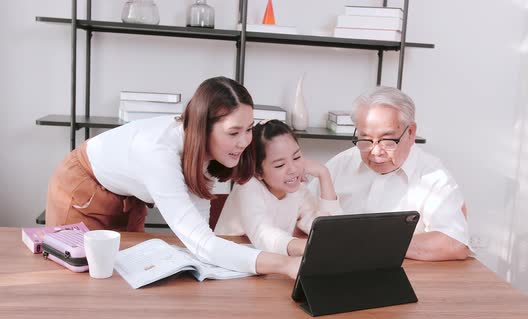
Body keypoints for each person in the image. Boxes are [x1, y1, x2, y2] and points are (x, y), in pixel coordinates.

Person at [45, 76, 301, 278]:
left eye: (248, 129)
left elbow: (200, 235)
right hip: (82, 187)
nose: (245, 141)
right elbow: (202, 244)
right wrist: (285, 265)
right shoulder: (159, 154)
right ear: (203, 128)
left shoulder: (201, 152)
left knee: (122, 278)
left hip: (128, 197)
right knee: (73, 280)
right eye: (233, 132)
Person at [309, 86, 470, 261]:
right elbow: (299, 212)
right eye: (366, 139)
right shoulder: (341, 163)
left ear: (410, 132)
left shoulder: (433, 176)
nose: (376, 151)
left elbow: (454, 243)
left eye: (387, 140)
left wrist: (371, 242)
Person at [214, 120, 341, 256]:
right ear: (258, 172)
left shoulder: (298, 190)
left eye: (297, 157)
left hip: (268, 265)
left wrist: (324, 174)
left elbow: (330, 232)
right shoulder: (246, 186)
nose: (293, 169)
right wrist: (303, 246)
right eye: (280, 165)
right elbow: (263, 234)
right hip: (230, 265)